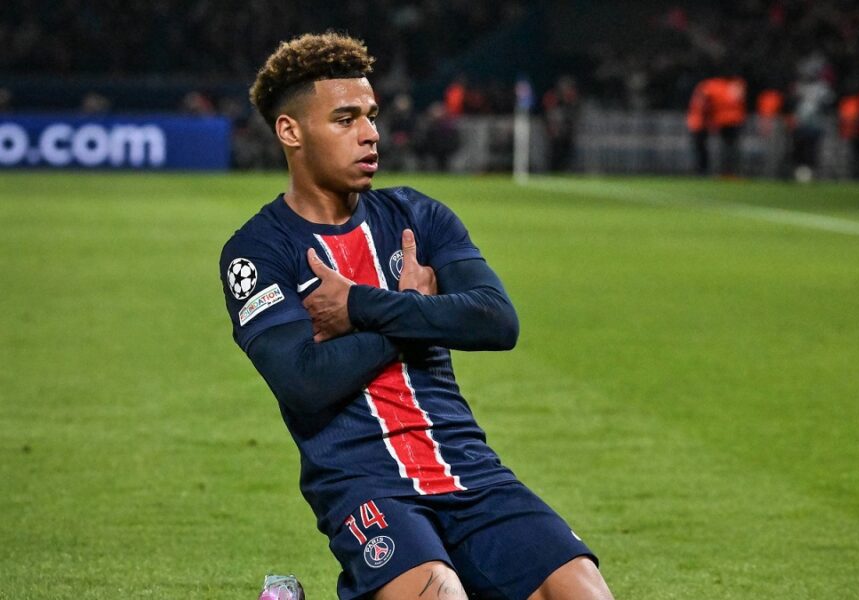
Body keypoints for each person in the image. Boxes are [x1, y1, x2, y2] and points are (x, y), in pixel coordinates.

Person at [219, 32, 614, 600]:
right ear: (291, 131)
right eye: (345, 119)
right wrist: (422, 313)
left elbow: (497, 321)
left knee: (583, 592)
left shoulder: (418, 216)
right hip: (363, 481)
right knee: (441, 593)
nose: (370, 134)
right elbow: (304, 382)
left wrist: (362, 305)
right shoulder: (258, 251)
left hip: (468, 467)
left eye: (371, 116)